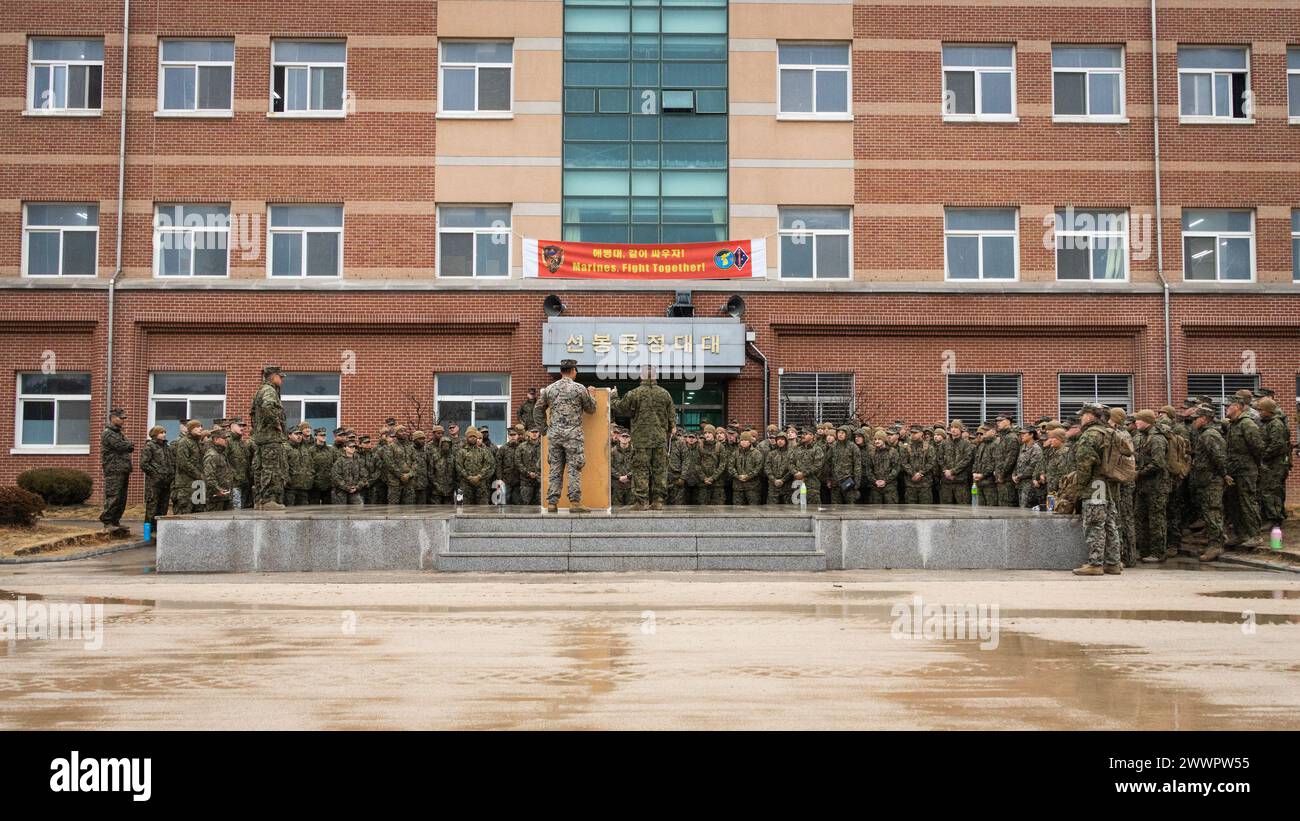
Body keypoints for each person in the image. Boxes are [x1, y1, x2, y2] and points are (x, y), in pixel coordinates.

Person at [534, 359, 597, 512]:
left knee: (555, 469)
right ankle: (575, 503)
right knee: (574, 469)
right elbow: (591, 409)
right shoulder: (579, 388)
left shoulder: (550, 389)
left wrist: (544, 430)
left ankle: (552, 503)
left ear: (561, 371)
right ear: (573, 370)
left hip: (554, 435)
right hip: (573, 436)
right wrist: (592, 395)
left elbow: (537, 410)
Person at [611, 367, 676, 510]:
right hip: (659, 440)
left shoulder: (635, 393)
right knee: (660, 470)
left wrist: (613, 396)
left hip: (641, 440)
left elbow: (620, 407)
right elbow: (672, 418)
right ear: (655, 376)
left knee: (641, 470)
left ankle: (642, 502)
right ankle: (658, 501)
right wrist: (669, 428)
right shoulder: (665, 394)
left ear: (641, 376)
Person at [1071, 403, 1124, 576]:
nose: (1081, 418)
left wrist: (1080, 488)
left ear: (1090, 416)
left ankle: (1095, 563)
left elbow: (1085, 464)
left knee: (1094, 525)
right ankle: (1113, 562)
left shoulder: (1090, 435)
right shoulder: (1108, 432)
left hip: (1094, 485)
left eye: (1083, 415)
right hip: (1109, 485)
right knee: (1110, 524)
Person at [1223, 396, 1264, 548]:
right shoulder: (1233, 425)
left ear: (1237, 407)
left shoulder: (1247, 424)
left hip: (1246, 470)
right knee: (1234, 504)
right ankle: (1240, 534)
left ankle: (1254, 535)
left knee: (1248, 503)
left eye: (1228, 406)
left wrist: (1253, 466)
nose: (1226, 409)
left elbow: (1258, 448)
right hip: (1234, 471)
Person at [1189, 404, 1229, 562]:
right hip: (1206, 479)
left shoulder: (1210, 435)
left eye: (1196, 419)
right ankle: (1216, 541)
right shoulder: (1204, 434)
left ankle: (1216, 545)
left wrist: (1224, 474)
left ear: (1204, 419)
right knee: (1209, 512)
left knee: (1213, 512)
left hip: (1212, 480)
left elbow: (1218, 457)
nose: (1194, 422)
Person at [1133, 409, 1171, 563]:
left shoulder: (1156, 439)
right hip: (1144, 485)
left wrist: (1139, 473)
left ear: (1147, 421)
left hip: (1156, 485)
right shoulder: (1144, 437)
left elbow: (1158, 463)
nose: (1136, 422)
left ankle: (1158, 552)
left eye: (1139, 420)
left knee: (1156, 519)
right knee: (1140, 518)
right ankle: (1145, 550)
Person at [251, 366, 288, 509]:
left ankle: (260, 500)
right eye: (280, 377)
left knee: (260, 468)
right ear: (273, 377)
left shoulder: (260, 390)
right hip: (270, 437)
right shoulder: (269, 390)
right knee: (271, 469)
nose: (282, 379)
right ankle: (269, 501)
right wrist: (276, 423)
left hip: (261, 437)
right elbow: (267, 407)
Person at [98, 407, 134, 530]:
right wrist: (128, 445)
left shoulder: (119, 433)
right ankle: (107, 521)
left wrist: (128, 445)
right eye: (121, 418)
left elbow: (129, 446)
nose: (123, 420)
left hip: (122, 468)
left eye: (124, 418)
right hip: (113, 469)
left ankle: (115, 521)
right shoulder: (108, 433)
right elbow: (121, 446)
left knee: (121, 498)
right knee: (113, 496)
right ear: (113, 418)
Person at [140, 425, 174, 537]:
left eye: (164, 432)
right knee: (151, 509)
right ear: (155, 434)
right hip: (154, 484)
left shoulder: (166, 447)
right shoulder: (149, 446)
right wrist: (156, 473)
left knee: (163, 508)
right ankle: (146, 534)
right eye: (161, 432)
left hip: (166, 482)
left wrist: (171, 473)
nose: (164, 434)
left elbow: (171, 462)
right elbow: (144, 464)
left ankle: (159, 532)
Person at [455, 427, 496, 505]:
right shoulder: (462, 451)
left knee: (483, 508)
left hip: (480, 483)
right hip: (465, 484)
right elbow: (459, 466)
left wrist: (479, 476)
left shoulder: (483, 451)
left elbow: (488, 465)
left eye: (474, 437)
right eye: (470, 437)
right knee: (465, 507)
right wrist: (468, 477)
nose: (473, 438)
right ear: (467, 438)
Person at [202, 427, 237, 512]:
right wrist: (217, 489)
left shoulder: (221, 454)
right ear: (216, 440)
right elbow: (209, 476)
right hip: (216, 497)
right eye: (224, 438)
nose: (226, 441)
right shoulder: (212, 455)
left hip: (226, 495)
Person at [731, 432, 766, 506]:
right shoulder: (735, 453)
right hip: (738, 486)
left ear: (750, 442)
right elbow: (730, 466)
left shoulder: (757, 453)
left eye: (746, 440)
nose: (743, 442)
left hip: (753, 487)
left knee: (753, 509)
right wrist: (738, 476)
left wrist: (748, 476)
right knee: (737, 509)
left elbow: (759, 468)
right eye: (742, 440)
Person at [331, 440, 366, 505]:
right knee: (341, 512)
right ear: (345, 448)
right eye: (350, 447)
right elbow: (336, 477)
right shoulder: (339, 461)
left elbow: (364, 476)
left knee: (358, 509)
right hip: (341, 492)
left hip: (355, 491)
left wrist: (357, 487)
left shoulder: (359, 461)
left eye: (354, 447)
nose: (352, 448)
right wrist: (346, 487)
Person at [610, 430, 634, 506]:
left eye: (626, 437)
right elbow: (608, 466)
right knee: (616, 509)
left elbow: (637, 466)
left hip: (630, 485)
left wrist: (628, 476)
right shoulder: (613, 451)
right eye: (623, 436)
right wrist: (618, 476)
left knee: (631, 510)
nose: (624, 438)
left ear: (629, 439)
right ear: (619, 438)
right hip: (617, 485)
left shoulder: (634, 451)